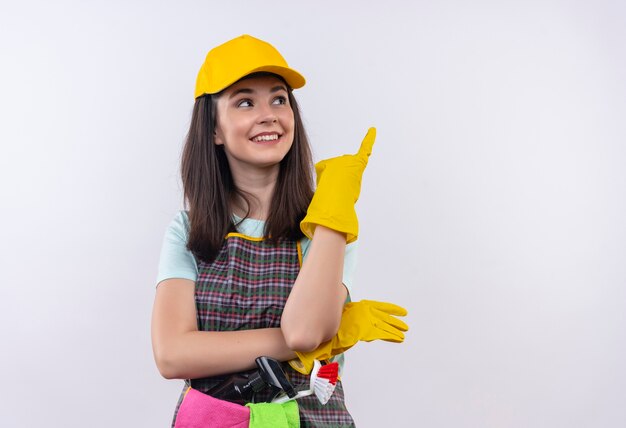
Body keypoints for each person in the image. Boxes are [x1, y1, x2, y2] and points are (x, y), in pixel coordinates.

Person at [151, 34, 407, 427]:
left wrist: (333, 211)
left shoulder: (326, 226)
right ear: (214, 129)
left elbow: (304, 332)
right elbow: (172, 354)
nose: (269, 114)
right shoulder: (188, 230)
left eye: (279, 99)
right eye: (245, 101)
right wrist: (330, 337)